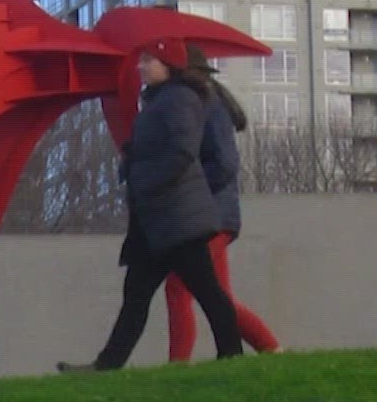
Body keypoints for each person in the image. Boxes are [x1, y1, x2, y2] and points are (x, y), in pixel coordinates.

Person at [61, 39, 244, 371]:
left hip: (177, 218)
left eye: (148, 60)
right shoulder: (160, 100)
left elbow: (182, 151)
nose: (140, 66)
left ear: (168, 65)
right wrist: (132, 162)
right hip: (157, 220)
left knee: (205, 290)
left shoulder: (179, 99)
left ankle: (232, 355)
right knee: (138, 296)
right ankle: (107, 364)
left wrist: (148, 182)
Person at [164, 44, 283, 360]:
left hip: (210, 216)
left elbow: (226, 163)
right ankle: (272, 350)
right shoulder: (200, 103)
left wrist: (190, 190)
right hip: (211, 214)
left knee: (178, 286)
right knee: (219, 295)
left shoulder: (207, 104)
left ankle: (177, 365)